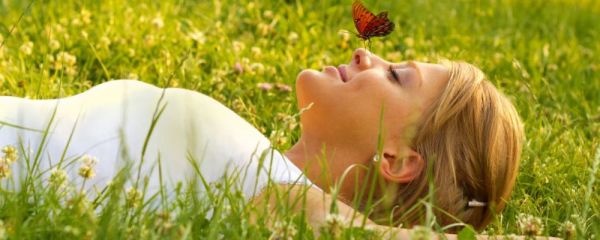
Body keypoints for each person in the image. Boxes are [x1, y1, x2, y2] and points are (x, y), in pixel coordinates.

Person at [0, 48, 523, 238]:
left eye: (396, 77)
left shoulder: (280, 196)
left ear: (397, 159)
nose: (368, 53)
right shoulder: (262, 169)